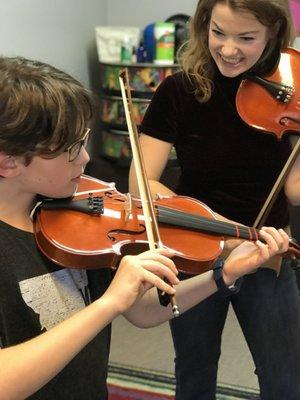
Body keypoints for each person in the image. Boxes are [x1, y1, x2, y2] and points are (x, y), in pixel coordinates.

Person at [0, 56, 289, 400]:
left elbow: (143, 310)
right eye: (70, 149)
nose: (85, 159)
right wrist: (107, 305)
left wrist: (223, 274)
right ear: (9, 162)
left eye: (84, 141)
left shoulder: (73, 218)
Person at [129, 1, 300, 399]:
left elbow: (294, 191)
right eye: (218, 31)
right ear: (204, 24)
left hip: (267, 254)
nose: (227, 49)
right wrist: (225, 237)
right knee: (194, 370)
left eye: (246, 38)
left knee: (285, 378)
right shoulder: (178, 90)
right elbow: (142, 185)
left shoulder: (289, 97)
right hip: (193, 253)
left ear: (273, 35)